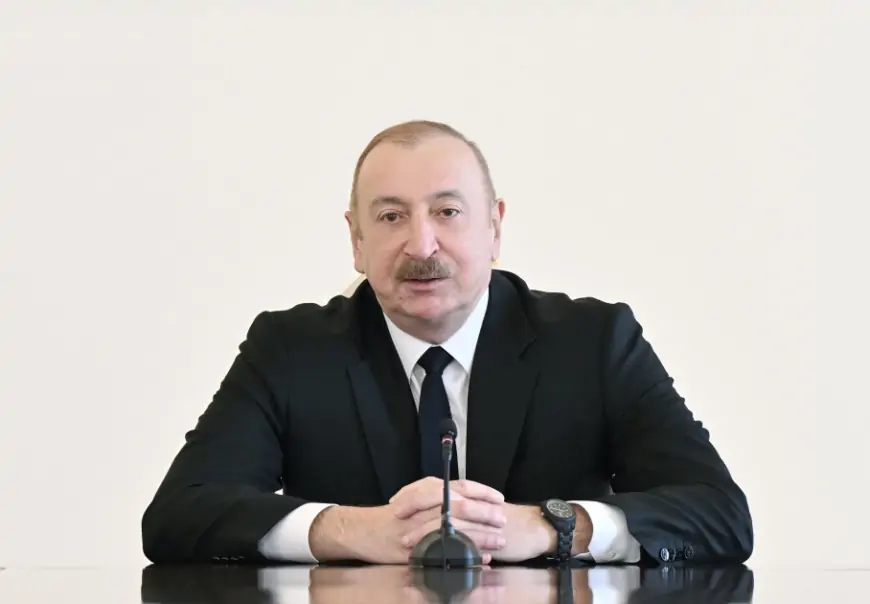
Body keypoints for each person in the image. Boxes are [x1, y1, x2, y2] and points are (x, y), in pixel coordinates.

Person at [141, 120, 753, 566]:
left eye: (448, 212)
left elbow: (720, 513)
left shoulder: (594, 342)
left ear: (494, 227)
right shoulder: (289, 349)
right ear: (356, 241)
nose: (422, 245)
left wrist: (553, 527)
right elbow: (177, 515)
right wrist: (349, 530)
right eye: (391, 217)